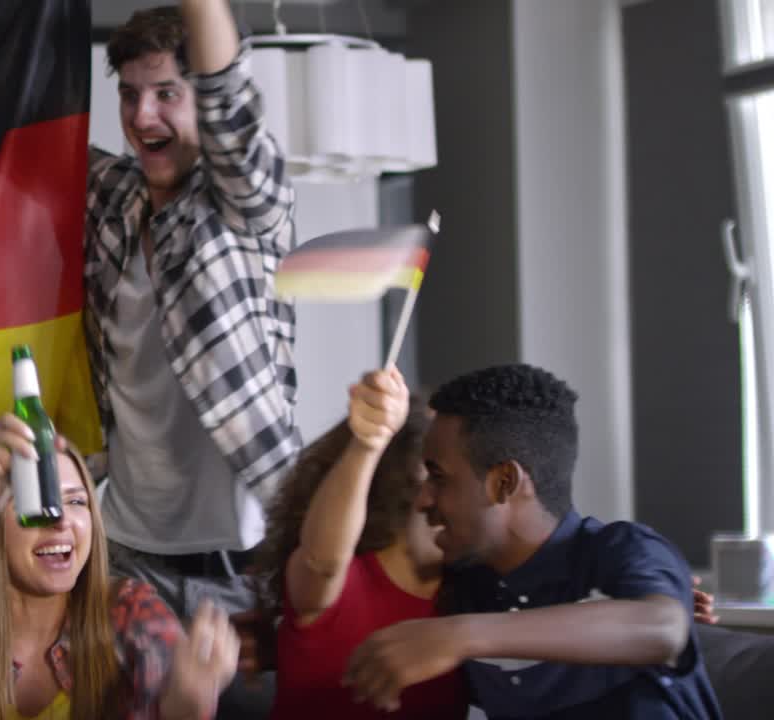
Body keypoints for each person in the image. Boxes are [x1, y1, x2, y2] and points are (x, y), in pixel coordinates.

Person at [84, 0, 297, 633]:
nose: (142, 116)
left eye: (166, 93)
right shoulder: (113, 198)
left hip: (240, 565)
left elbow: (229, 105)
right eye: (129, 95)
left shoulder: (244, 206)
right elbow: (25, 147)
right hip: (123, 552)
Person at [345, 364, 723, 718]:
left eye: (439, 477)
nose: (423, 499)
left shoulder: (622, 549)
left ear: (504, 482)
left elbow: (661, 629)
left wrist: (461, 635)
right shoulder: (468, 586)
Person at [0, 413, 239, 719]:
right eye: (35, 503)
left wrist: (188, 706)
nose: (61, 520)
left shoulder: (132, 615)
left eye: (77, 502)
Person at [259, 368, 467, 719]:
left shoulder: (473, 593)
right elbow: (321, 562)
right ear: (413, 486)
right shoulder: (343, 585)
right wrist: (367, 445)